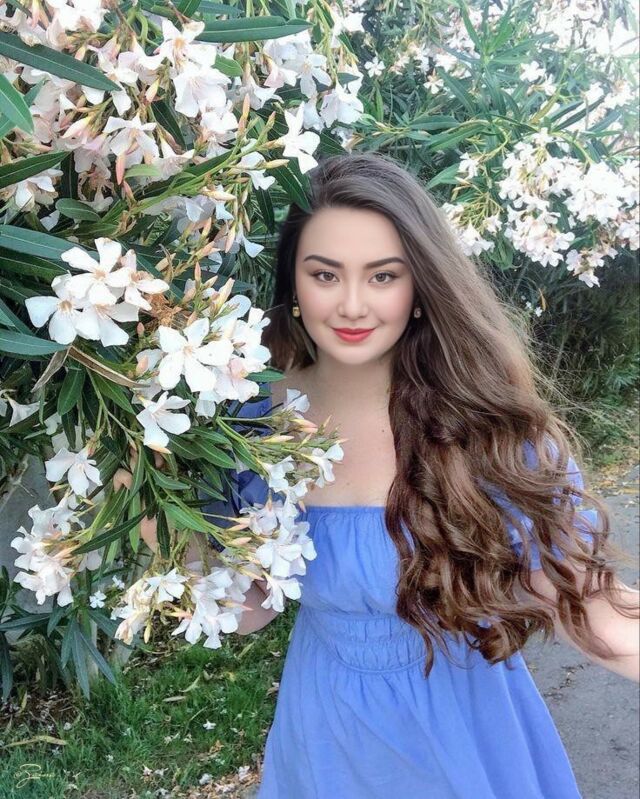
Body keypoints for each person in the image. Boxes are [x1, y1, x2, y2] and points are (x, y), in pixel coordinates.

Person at [117, 152, 639, 798]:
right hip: (324, 737)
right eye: (325, 274)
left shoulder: (488, 431)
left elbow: (598, 617)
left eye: (383, 275)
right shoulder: (248, 424)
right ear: (293, 283)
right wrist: (149, 500)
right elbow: (249, 611)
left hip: (463, 740)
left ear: (420, 284)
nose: (352, 304)